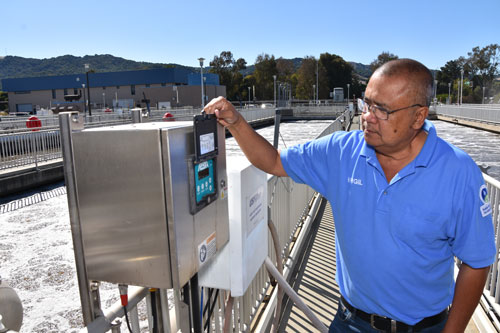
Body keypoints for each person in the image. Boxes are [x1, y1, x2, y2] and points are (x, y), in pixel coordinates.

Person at [203, 58, 496, 333]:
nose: (367, 117)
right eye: (366, 103)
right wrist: (237, 123)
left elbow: (477, 261)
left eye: (382, 110)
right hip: (350, 322)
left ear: (418, 116)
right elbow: (274, 162)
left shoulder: (458, 172)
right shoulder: (341, 152)